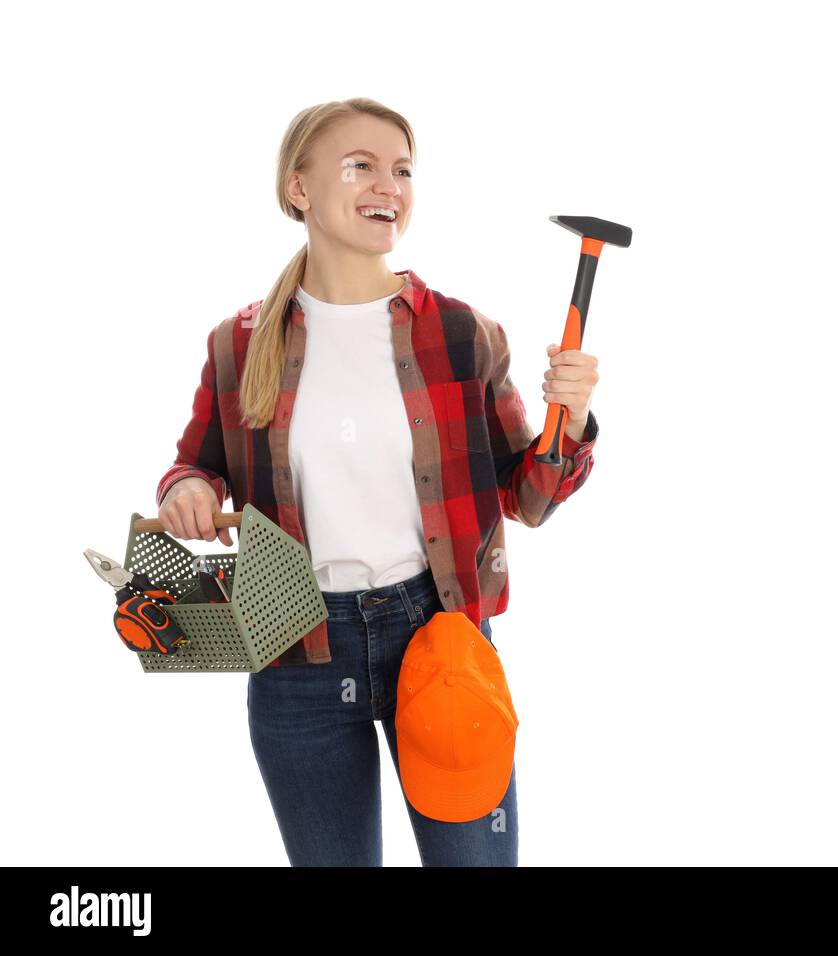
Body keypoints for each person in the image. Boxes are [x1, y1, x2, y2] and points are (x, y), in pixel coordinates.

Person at [155, 97, 601, 866]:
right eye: (360, 165)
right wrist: (185, 492)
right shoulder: (239, 342)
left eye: (401, 169)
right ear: (299, 188)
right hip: (295, 648)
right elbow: (195, 463)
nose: (387, 185)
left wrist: (575, 421)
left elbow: (527, 498)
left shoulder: (461, 332)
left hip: (439, 635)